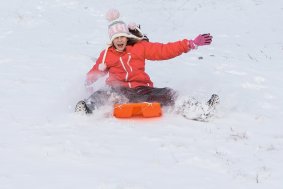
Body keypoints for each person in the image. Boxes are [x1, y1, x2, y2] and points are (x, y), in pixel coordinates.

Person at [75, 9, 219, 119]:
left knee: (170, 93)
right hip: (117, 91)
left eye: (122, 37)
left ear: (127, 37)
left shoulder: (140, 48)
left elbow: (164, 50)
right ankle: (86, 109)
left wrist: (189, 44)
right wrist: (89, 80)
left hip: (142, 90)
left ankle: (200, 110)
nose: (119, 40)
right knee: (102, 94)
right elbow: (96, 71)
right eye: (116, 38)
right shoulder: (107, 54)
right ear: (111, 40)